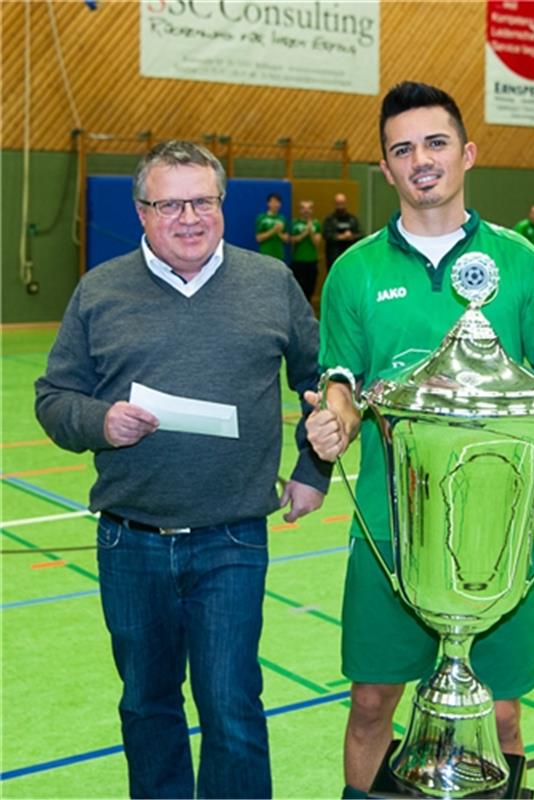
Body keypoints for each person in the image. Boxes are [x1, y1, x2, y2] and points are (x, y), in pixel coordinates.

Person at [302, 82, 534, 798]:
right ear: (385, 170)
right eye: (402, 149)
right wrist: (335, 420)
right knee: (370, 707)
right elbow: (342, 380)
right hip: (392, 532)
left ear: (467, 153)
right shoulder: (355, 272)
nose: (420, 160)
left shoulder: (521, 265)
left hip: (499, 536)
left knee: (504, 717)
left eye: (435, 142)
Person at [34, 140, 329, 798]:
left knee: (232, 708)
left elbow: (322, 382)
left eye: (203, 201)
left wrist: (314, 467)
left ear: (223, 206)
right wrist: (99, 422)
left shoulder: (269, 283)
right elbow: (53, 401)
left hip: (232, 538)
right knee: (147, 705)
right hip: (129, 539)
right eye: (170, 204)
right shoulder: (100, 290)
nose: (189, 217)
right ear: (141, 211)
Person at [289, 199, 324, 302]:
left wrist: (310, 231)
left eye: (308, 208)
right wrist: (304, 233)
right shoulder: (294, 223)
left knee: (310, 287)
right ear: (300, 210)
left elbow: (317, 242)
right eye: (304, 208)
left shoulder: (316, 224)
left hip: (312, 260)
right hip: (298, 260)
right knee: (299, 287)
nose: (306, 211)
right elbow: (291, 240)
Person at [323, 192, 363, 266]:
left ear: (346, 204)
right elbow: (326, 235)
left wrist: (352, 236)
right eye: (338, 203)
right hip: (334, 256)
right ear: (334, 204)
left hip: (349, 255)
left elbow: (360, 234)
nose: (340, 206)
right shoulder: (329, 219)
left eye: (342, 203)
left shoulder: (352, 219)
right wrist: (341, 237)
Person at [255, 191, 288, 261]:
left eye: (278, 202)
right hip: (266, 255)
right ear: (268, 203)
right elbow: (258, 238)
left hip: (279, 255)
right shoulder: (262, 218)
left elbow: (286, 239)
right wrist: (273, 230)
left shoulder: (282, 218)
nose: (276, 205)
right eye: (273, 202)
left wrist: (279, 232)